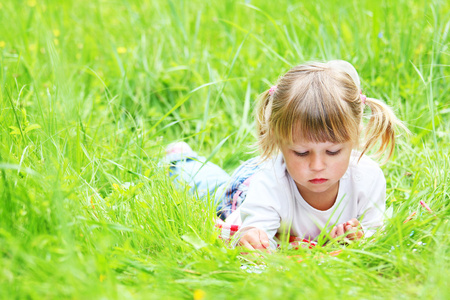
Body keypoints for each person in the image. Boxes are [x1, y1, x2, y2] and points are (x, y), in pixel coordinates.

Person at [165, 60, 407, 251]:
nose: (317, 165)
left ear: (354, 139)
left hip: (279, 175)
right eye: (302, 152)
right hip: (248, 186)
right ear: (279, 142)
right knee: (211, 189)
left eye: (333, 151)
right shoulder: (270, 181)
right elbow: (259, 240)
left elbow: (377, 234)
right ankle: (181, 160)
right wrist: (253, 240)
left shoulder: (367, 176)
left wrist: (358, 237)